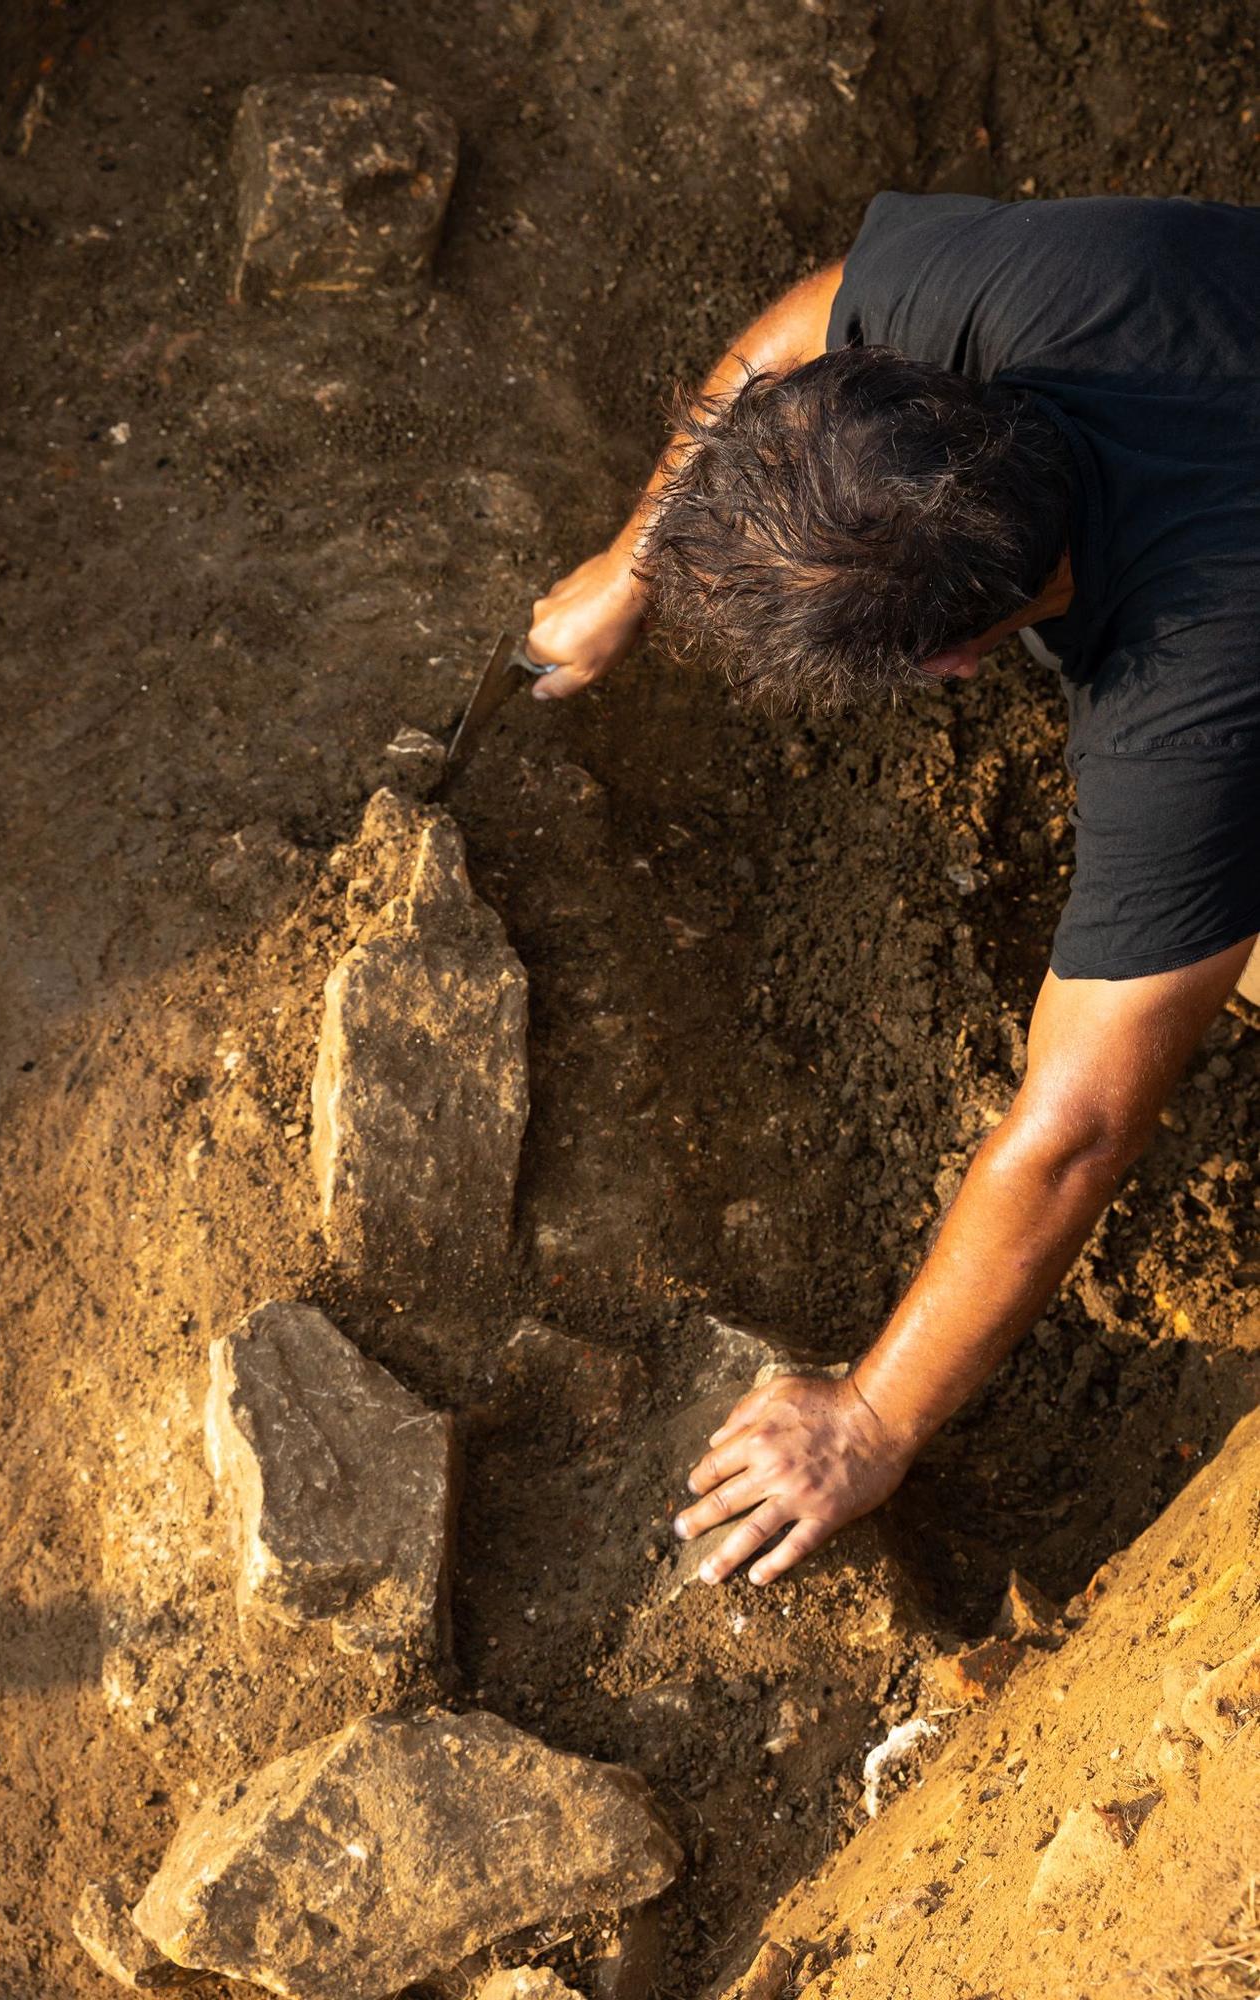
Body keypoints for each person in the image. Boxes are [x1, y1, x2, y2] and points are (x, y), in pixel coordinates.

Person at [524, 193, 1260, 1588]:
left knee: (1209, 943)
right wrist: (634, 564)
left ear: (952, 660)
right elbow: (801, 325)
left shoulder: (1189, 709)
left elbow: (1078, 1128)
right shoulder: (1043, 294)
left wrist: (868, 1417)